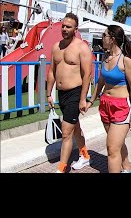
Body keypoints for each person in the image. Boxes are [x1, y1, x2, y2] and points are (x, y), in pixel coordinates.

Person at [86, 25, 131, 173]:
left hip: (120, 108)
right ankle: (128, 169)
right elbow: (101, 82)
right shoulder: (105, 57)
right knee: (117, 144)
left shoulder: (126, 60)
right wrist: (91, 101)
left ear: (112, 39)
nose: (102, 37)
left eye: (104, 35)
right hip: (105, 105)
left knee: (112, 149)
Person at [46, 12, 92, 173]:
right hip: (61, 94)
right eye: (63, 26)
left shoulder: (82, 47)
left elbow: (87, 74)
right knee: (75, 127)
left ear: (75, 29)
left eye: (68, 27)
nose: (64, 29)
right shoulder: (56, 47)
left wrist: (82, 99)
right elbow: (52, 71)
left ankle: (61, 168)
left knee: (66, 133)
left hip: (75, 92)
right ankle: (85, 155)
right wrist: (48, 93)